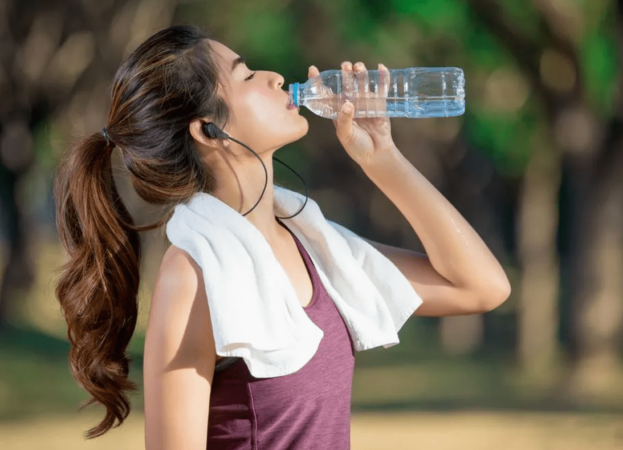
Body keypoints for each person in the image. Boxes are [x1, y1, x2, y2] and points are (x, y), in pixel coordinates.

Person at [52, 24, 510, 449]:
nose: (274, 77)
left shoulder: (316, 246)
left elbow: (481, 287)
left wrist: (382, 157)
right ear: (209, 130)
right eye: (246, 75)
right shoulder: (193, 274)